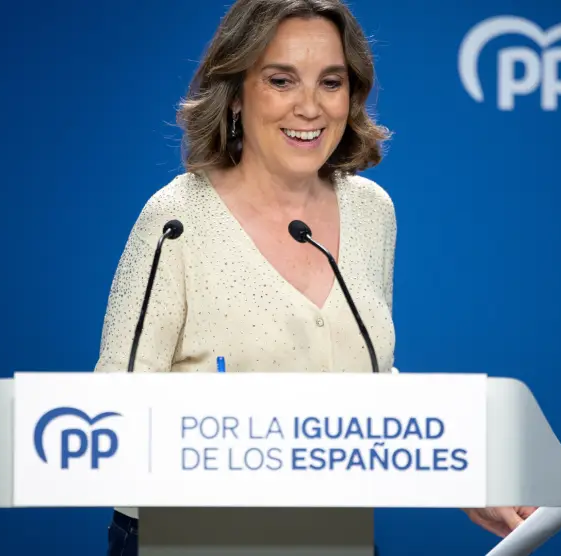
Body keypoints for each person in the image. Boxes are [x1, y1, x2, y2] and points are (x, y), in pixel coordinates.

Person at [93, 1, 534, 553]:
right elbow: (113, 416)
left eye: (331, 82)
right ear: (236, 93)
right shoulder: (176, 220)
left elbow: (367, 378)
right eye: (281, 80)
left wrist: (465, 473)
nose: (309, 107)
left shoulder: (371, 211)